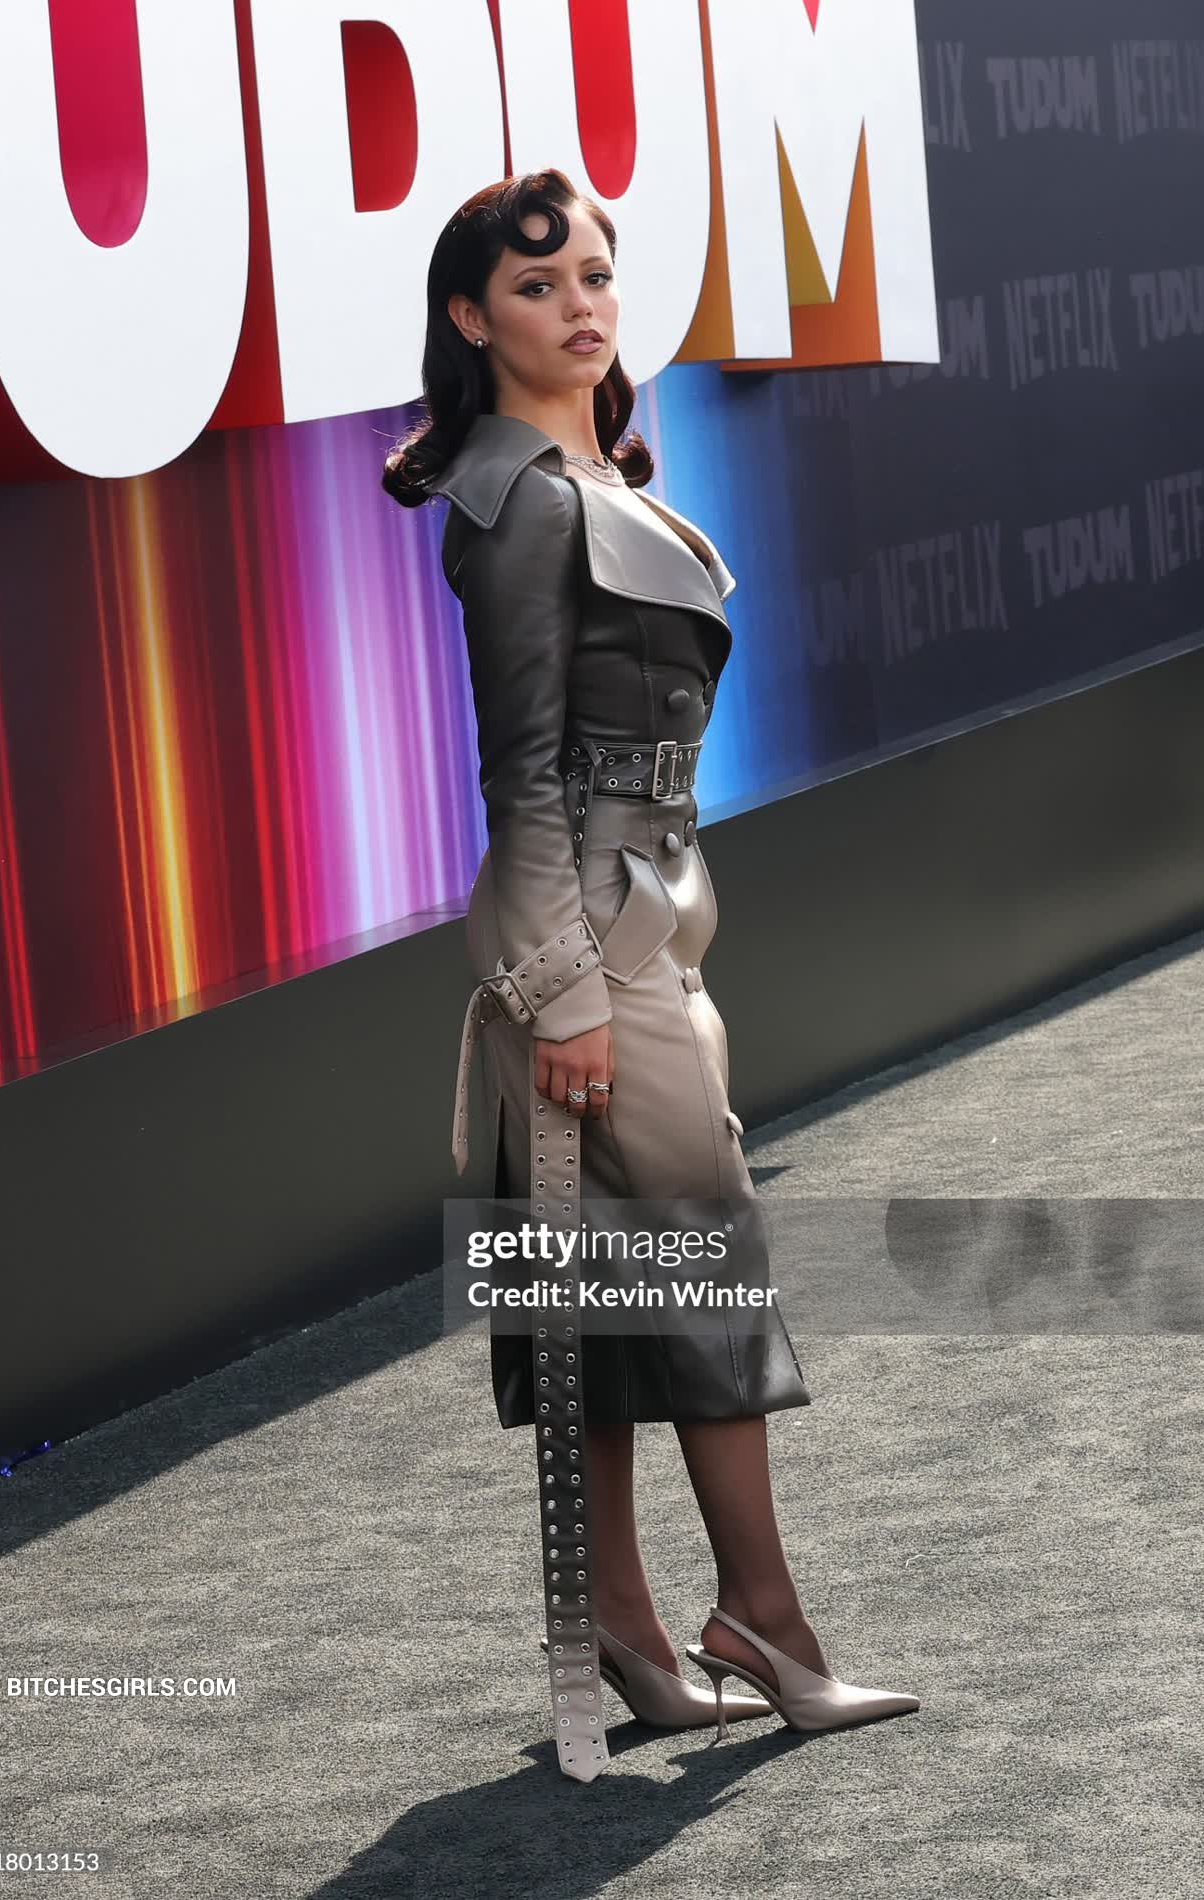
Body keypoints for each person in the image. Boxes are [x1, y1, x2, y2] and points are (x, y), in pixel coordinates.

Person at [383, 168, 919, 1780]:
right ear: (474, 317)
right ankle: (765, 1622)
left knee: (610, 1289)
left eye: (597, 277)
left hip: (645, 913)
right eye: (539, 286)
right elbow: (522, 772)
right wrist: (560, 988)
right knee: (701, 1265)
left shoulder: (578, 476)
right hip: (591, 935)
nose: (581, 306)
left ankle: (629, 1620)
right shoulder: (522, 502)